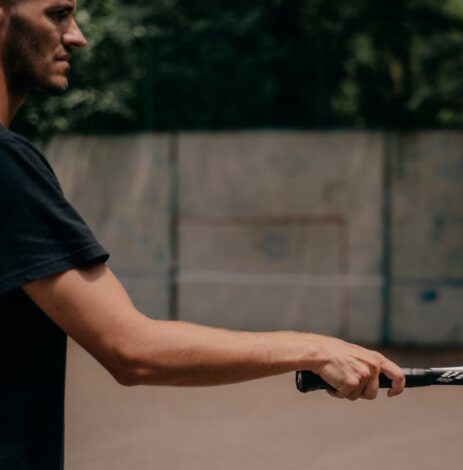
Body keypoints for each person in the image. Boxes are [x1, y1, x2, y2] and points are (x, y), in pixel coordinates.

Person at [0, 1, 406, 468]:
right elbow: (131, 349)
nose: (76, 37)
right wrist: (312, 349)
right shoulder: (8, 165)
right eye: (56, 13)